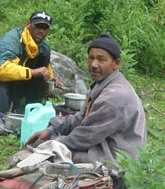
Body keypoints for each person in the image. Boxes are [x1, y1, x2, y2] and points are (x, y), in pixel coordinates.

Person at [26, 33, 146, 165]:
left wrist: (54, 143)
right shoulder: (102, 84)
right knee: (44, 145)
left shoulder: (114, 96)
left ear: (116, 63)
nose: (93, 64)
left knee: (51, 154)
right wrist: (51, 131)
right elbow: (81, 118)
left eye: (101, 59)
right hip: (101, 145)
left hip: (116, 160)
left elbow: (86, 137)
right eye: (91, 58)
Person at [0, 10, 62, 113]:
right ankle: (9, 110)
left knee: (39, 79)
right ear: (28, 24)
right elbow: (0, 70)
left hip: (19, 82)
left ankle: (32, 114)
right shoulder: (12, 40)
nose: (41, 31)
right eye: (38, 26)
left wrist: (51, 79)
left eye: (45, 28)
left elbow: (45, 69)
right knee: (1, 104)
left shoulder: (43, 47)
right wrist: (33, 72)